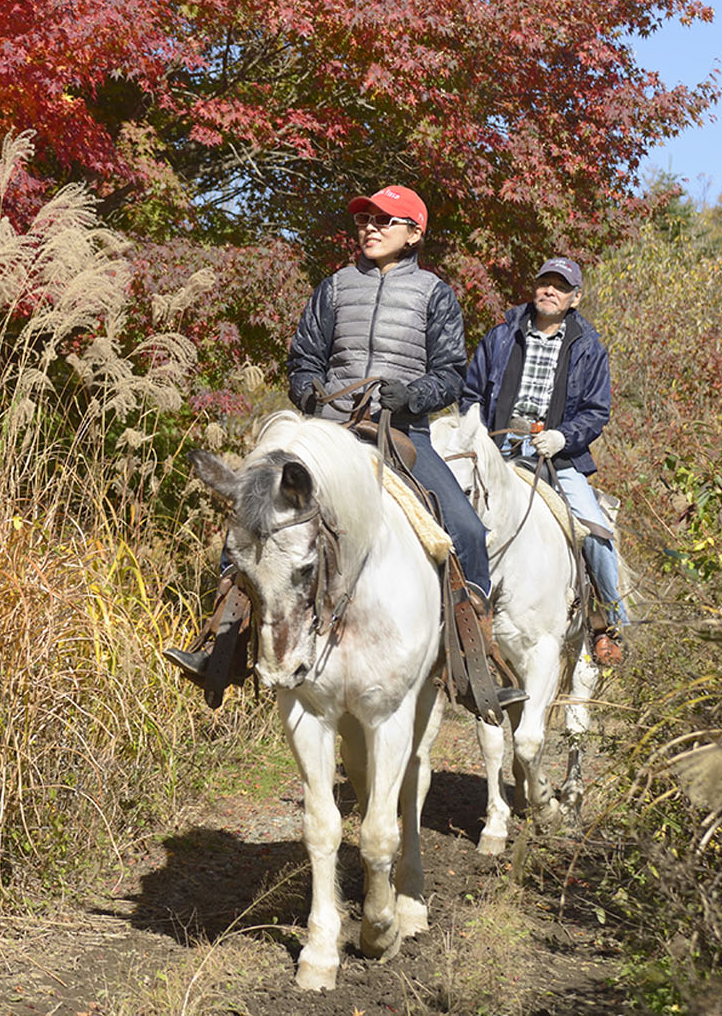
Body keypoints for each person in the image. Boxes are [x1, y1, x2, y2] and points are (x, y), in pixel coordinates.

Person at [168, 185, 524, 714]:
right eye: (365, 219)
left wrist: (414, 395)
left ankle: (475, 662)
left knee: (467, 530)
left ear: (414, 233)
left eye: (386, 220)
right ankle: (221, 644)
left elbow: (450, 375)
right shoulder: (333, 287)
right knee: (254, 504)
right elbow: (303, 359)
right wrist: (308, 390)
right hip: (329, 432)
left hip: (402, 433)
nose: (371, 227)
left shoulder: (435, 294)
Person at [460, 256, 628, 665]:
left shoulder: (589, 347)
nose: (549, 291)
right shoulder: (501, 337)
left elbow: (595, 410)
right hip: (496, 448)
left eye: (560, 286)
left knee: (598, 532)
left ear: (575, 298)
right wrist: (477, 435)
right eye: (544, 283)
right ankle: (444, 618)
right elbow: (470, 393)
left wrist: (562, 436)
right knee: (450, 516)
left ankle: (606, 623)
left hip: (558, 455)